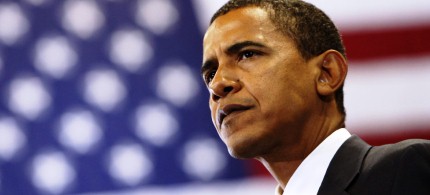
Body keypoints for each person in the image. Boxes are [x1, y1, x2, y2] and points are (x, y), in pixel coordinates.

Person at [200, 0, 430, 194]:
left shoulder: (406, 170)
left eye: (247, 54)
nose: (218, 84)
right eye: (210, 74)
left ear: (327, 74)